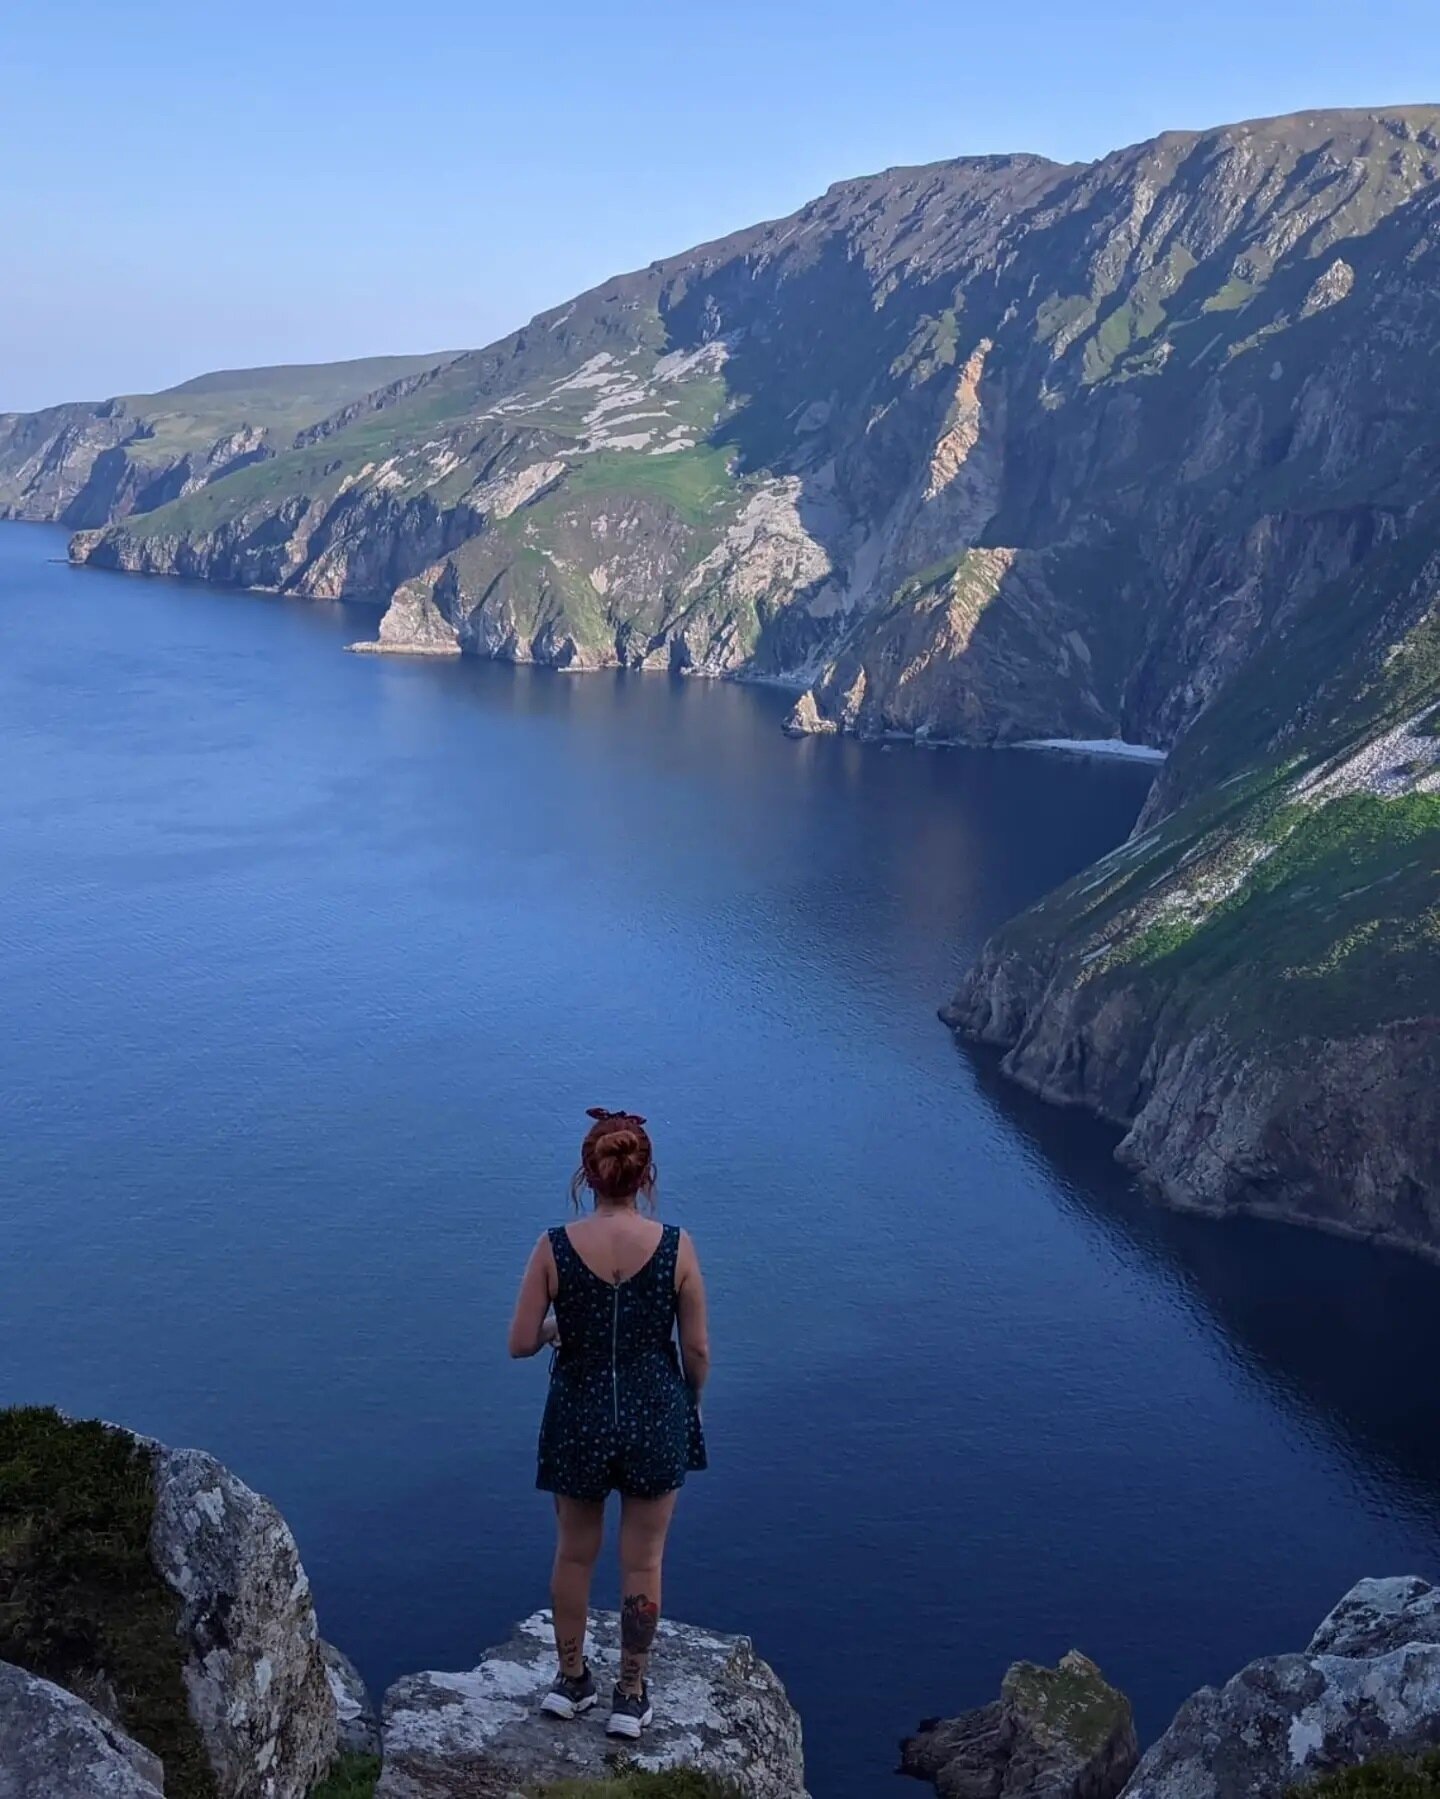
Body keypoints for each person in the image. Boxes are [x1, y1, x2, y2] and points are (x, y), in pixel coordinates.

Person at [508, 1107, 709, 1739]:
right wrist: (690, 1400)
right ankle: (630, 1693)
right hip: (655, 1412)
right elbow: (698, 1350)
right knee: (642, 1560)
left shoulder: (554, 1246)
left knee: (574, 1555)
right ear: (645, 1175)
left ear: (587, 1175)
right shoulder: (676, 1246)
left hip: (578, 1414)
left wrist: (558, 1327)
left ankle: (570, 1683)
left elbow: (519, 1343)